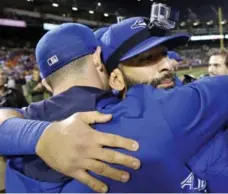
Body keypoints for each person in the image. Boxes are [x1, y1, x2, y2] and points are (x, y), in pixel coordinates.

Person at [4, 17, 228, 193]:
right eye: (145, 58)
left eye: (165, 55)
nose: (168, 64)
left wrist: (38, 136)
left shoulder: (20, 134)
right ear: (100, 63)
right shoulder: (154, 111)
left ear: (45, 83)